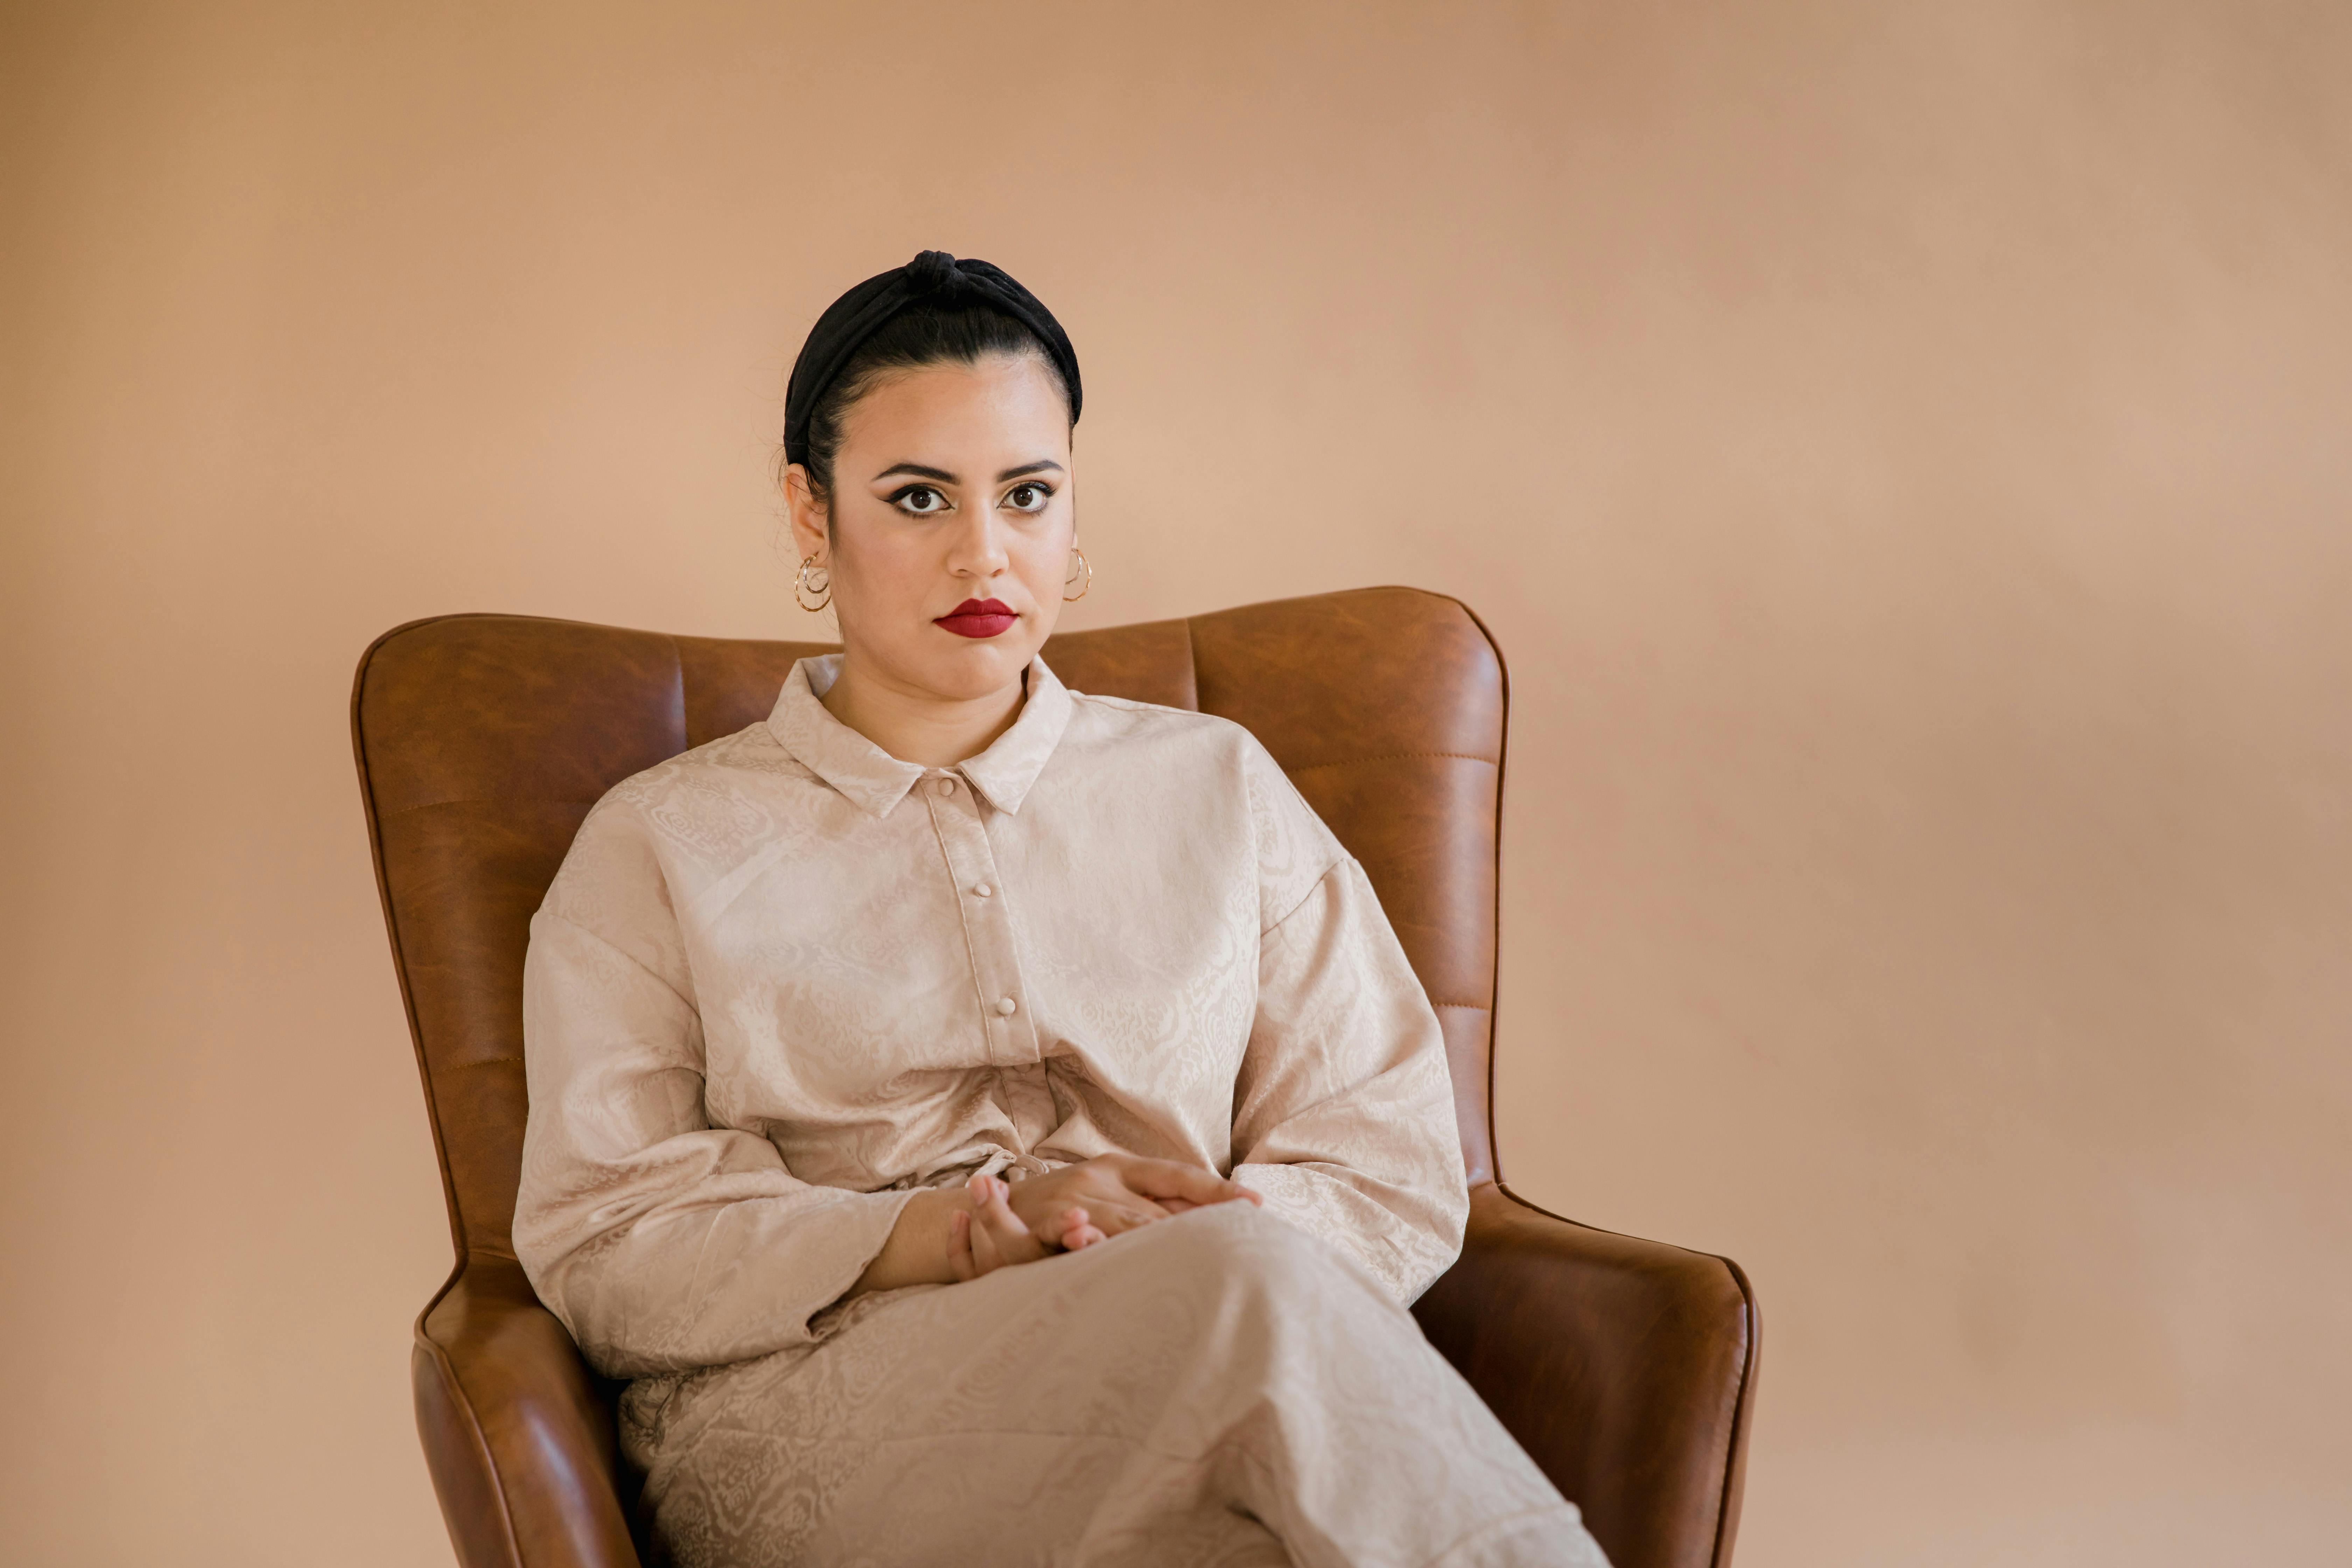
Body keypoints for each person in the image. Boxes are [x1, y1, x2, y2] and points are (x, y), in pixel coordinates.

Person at [512, 251, 1610, 1568]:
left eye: (1028, 493)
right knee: (1243, 1325)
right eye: (918, 497)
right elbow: (610, 1240)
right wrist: (960, 1235)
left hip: (1211, 1362)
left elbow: (1383, 1161)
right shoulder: (662, 843)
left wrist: (1137, 1250)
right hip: (812, 1414)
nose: (987, 553)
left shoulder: (1217, 786)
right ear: (811, 514)